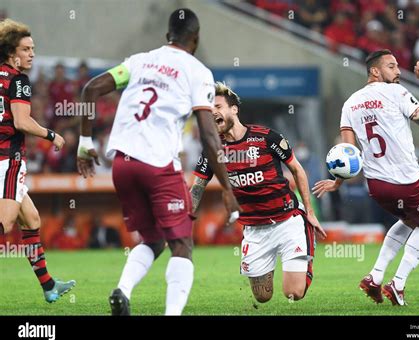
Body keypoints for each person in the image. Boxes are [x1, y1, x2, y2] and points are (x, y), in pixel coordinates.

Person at [76, 9, 240, 316]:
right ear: (196, 38)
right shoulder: (198, 71)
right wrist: (228, 188)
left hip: (122, 166)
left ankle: (122, 290)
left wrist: (85, 144)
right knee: (182, 245)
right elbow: (209, 134)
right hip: (157, 166)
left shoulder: (138, 61)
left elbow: (90, 90)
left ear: (167, 37)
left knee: (153, 239)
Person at [314, 49, 419, 306]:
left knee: (408, 219)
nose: (398, 72)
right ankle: (398, 283)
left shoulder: (350, 103)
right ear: (375, 71)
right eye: (392, 67)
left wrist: (338, 182)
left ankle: (375, 275)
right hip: (406, 180)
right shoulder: (396, 93)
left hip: (377, 186)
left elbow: (348, 152)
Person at [191, 82, 326, 303]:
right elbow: (197, 187)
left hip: (287, 220)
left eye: (217, 106)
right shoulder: (212, 151)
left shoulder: (267, 138)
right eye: (209, 110)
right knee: (263, 296)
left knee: (294, 293)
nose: (212, 112)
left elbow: (297, 170)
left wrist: (310, 212)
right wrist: (183, 219)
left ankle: (305, 241)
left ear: (234, 109)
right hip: (254, 229)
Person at [0, 19, 76, 302]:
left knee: (31, 219)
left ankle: (49, 286)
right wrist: (51, 134)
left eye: (33, 48)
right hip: (8, 158)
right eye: (26, 49)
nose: (32, 54)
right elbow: (21, 121)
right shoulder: (18, 80)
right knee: (6, 223)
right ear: (11, 52)